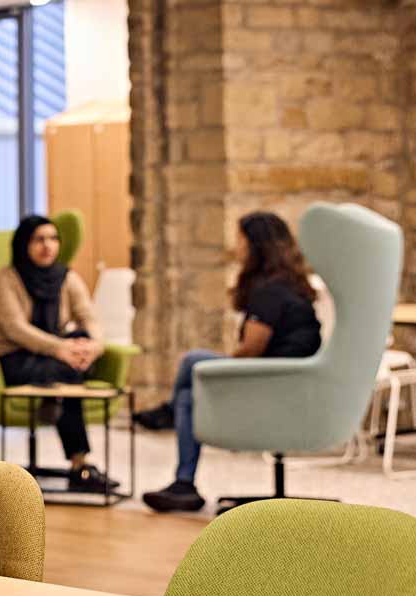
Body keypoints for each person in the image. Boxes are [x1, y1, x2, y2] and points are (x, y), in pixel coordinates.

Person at [137, 210, 324, 513]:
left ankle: (169, 419)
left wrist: (224, 367)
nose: (236, 247)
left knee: (193, 362)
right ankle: (183, 484)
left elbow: (251, 348)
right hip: (288, 383)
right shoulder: (287, 284)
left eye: (240, 240)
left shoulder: (270, 290)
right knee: (188, 395)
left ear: (256, 245)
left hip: (275, 385)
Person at [0, 215, 117, 494]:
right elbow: (15, 329)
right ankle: (79, 464)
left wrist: (93, 346)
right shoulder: (4, 280)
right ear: (24, 244)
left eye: (53, 239)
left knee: (77, 347)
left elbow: (90, 318)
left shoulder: (66, 277)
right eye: (39, 239)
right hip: (14, 359)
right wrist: (61, 349)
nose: (48, 246)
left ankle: (54, 405)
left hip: (55, 358)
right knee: (71, 369)